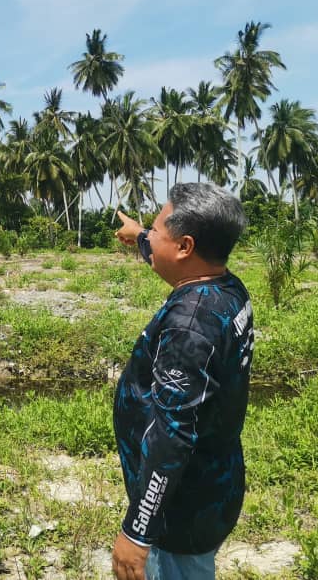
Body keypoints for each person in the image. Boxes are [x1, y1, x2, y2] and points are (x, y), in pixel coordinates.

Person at [110, 183, 254, 580]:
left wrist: (138, 532)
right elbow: (174, 259)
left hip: (181, 510)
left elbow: (172, 436)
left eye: (157, 230)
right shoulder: (227, 287)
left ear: (186, 245)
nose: (150, 237)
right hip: (214, 483)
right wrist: (140, 236)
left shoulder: (189, 329)